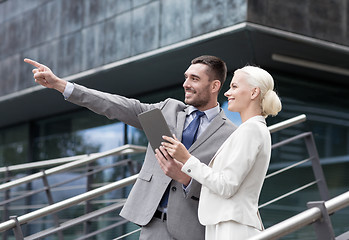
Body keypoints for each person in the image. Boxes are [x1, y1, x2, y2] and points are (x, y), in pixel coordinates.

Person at [24, 56, 236, 240]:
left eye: (194, 79)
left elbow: (226, 187)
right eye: (186, 77)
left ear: (215, 86)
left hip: (193, 231)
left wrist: (187, 179)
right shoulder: (168, 109)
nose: (186, 84)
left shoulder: (230, 134)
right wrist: (62, 85)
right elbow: (116, 105)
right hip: (151, 226)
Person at [156, 66, 282, 239]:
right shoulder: (249, 130)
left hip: (232, 227)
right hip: (225, 224)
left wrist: (187, 159)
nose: (227, 93)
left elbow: (226, 185)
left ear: (254, 93)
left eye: (234, 87)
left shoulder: (251, 130)